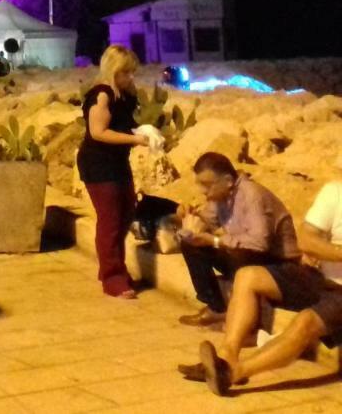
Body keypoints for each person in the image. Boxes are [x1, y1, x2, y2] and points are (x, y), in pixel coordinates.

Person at [189, 159, 342, 395]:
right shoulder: (334, 192)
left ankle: (233, 373)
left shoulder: (251, 194)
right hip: (321, 279)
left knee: (306, 322)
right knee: (248, 276)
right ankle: (227, 357)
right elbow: (307, 240)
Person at [176, 152, 300, 328]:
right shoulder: (220, 195)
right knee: (191, 245)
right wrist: (188, 216)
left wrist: (215, 241)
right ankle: (216, 308)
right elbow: (207, 222)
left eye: (207, 185)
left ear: (227, 180)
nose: (203, 191)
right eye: (200, 184)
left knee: (243, 253)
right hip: (243, 255)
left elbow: (259, 243)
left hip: (278, 262)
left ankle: (249, 326)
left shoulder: (252, 195)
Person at [77, 44, 150, 298]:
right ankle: (113, 277)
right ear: (113, 70)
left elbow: (125, 125)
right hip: (98, 163)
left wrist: (144, 132)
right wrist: (135, 140)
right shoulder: (102, 94)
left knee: (126, 213)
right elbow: (98, 133)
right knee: (109, 220)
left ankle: (112, 266)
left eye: (132, 72)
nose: (130, 77)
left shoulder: (126, 95)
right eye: (125, 72)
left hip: (118, 162)